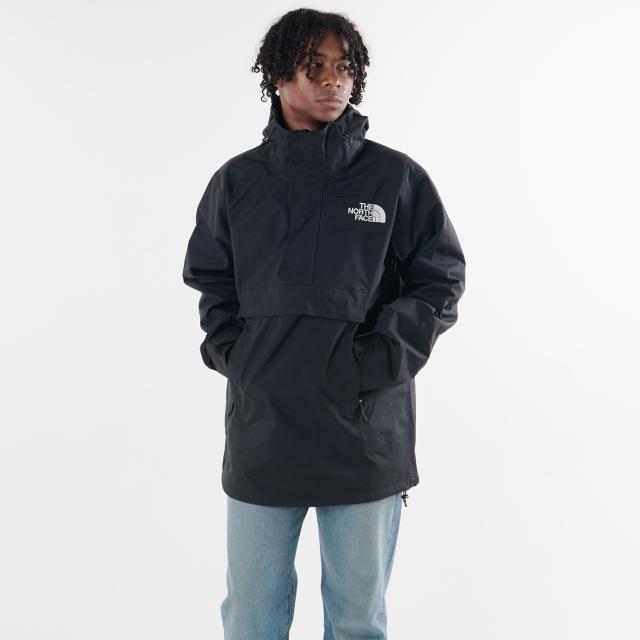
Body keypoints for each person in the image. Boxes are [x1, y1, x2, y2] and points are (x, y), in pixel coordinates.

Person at [182, 8, 466, 638]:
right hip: (263, 431)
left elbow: (440, 280)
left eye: (344, 67)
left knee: (357, 621)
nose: (334, 80)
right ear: (278, 76)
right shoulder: (236, 182)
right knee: (251, 618)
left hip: (364, 435)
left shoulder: (394, 177)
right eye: (315, 67)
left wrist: (377, 361)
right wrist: (239, 356)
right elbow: (211, 282)